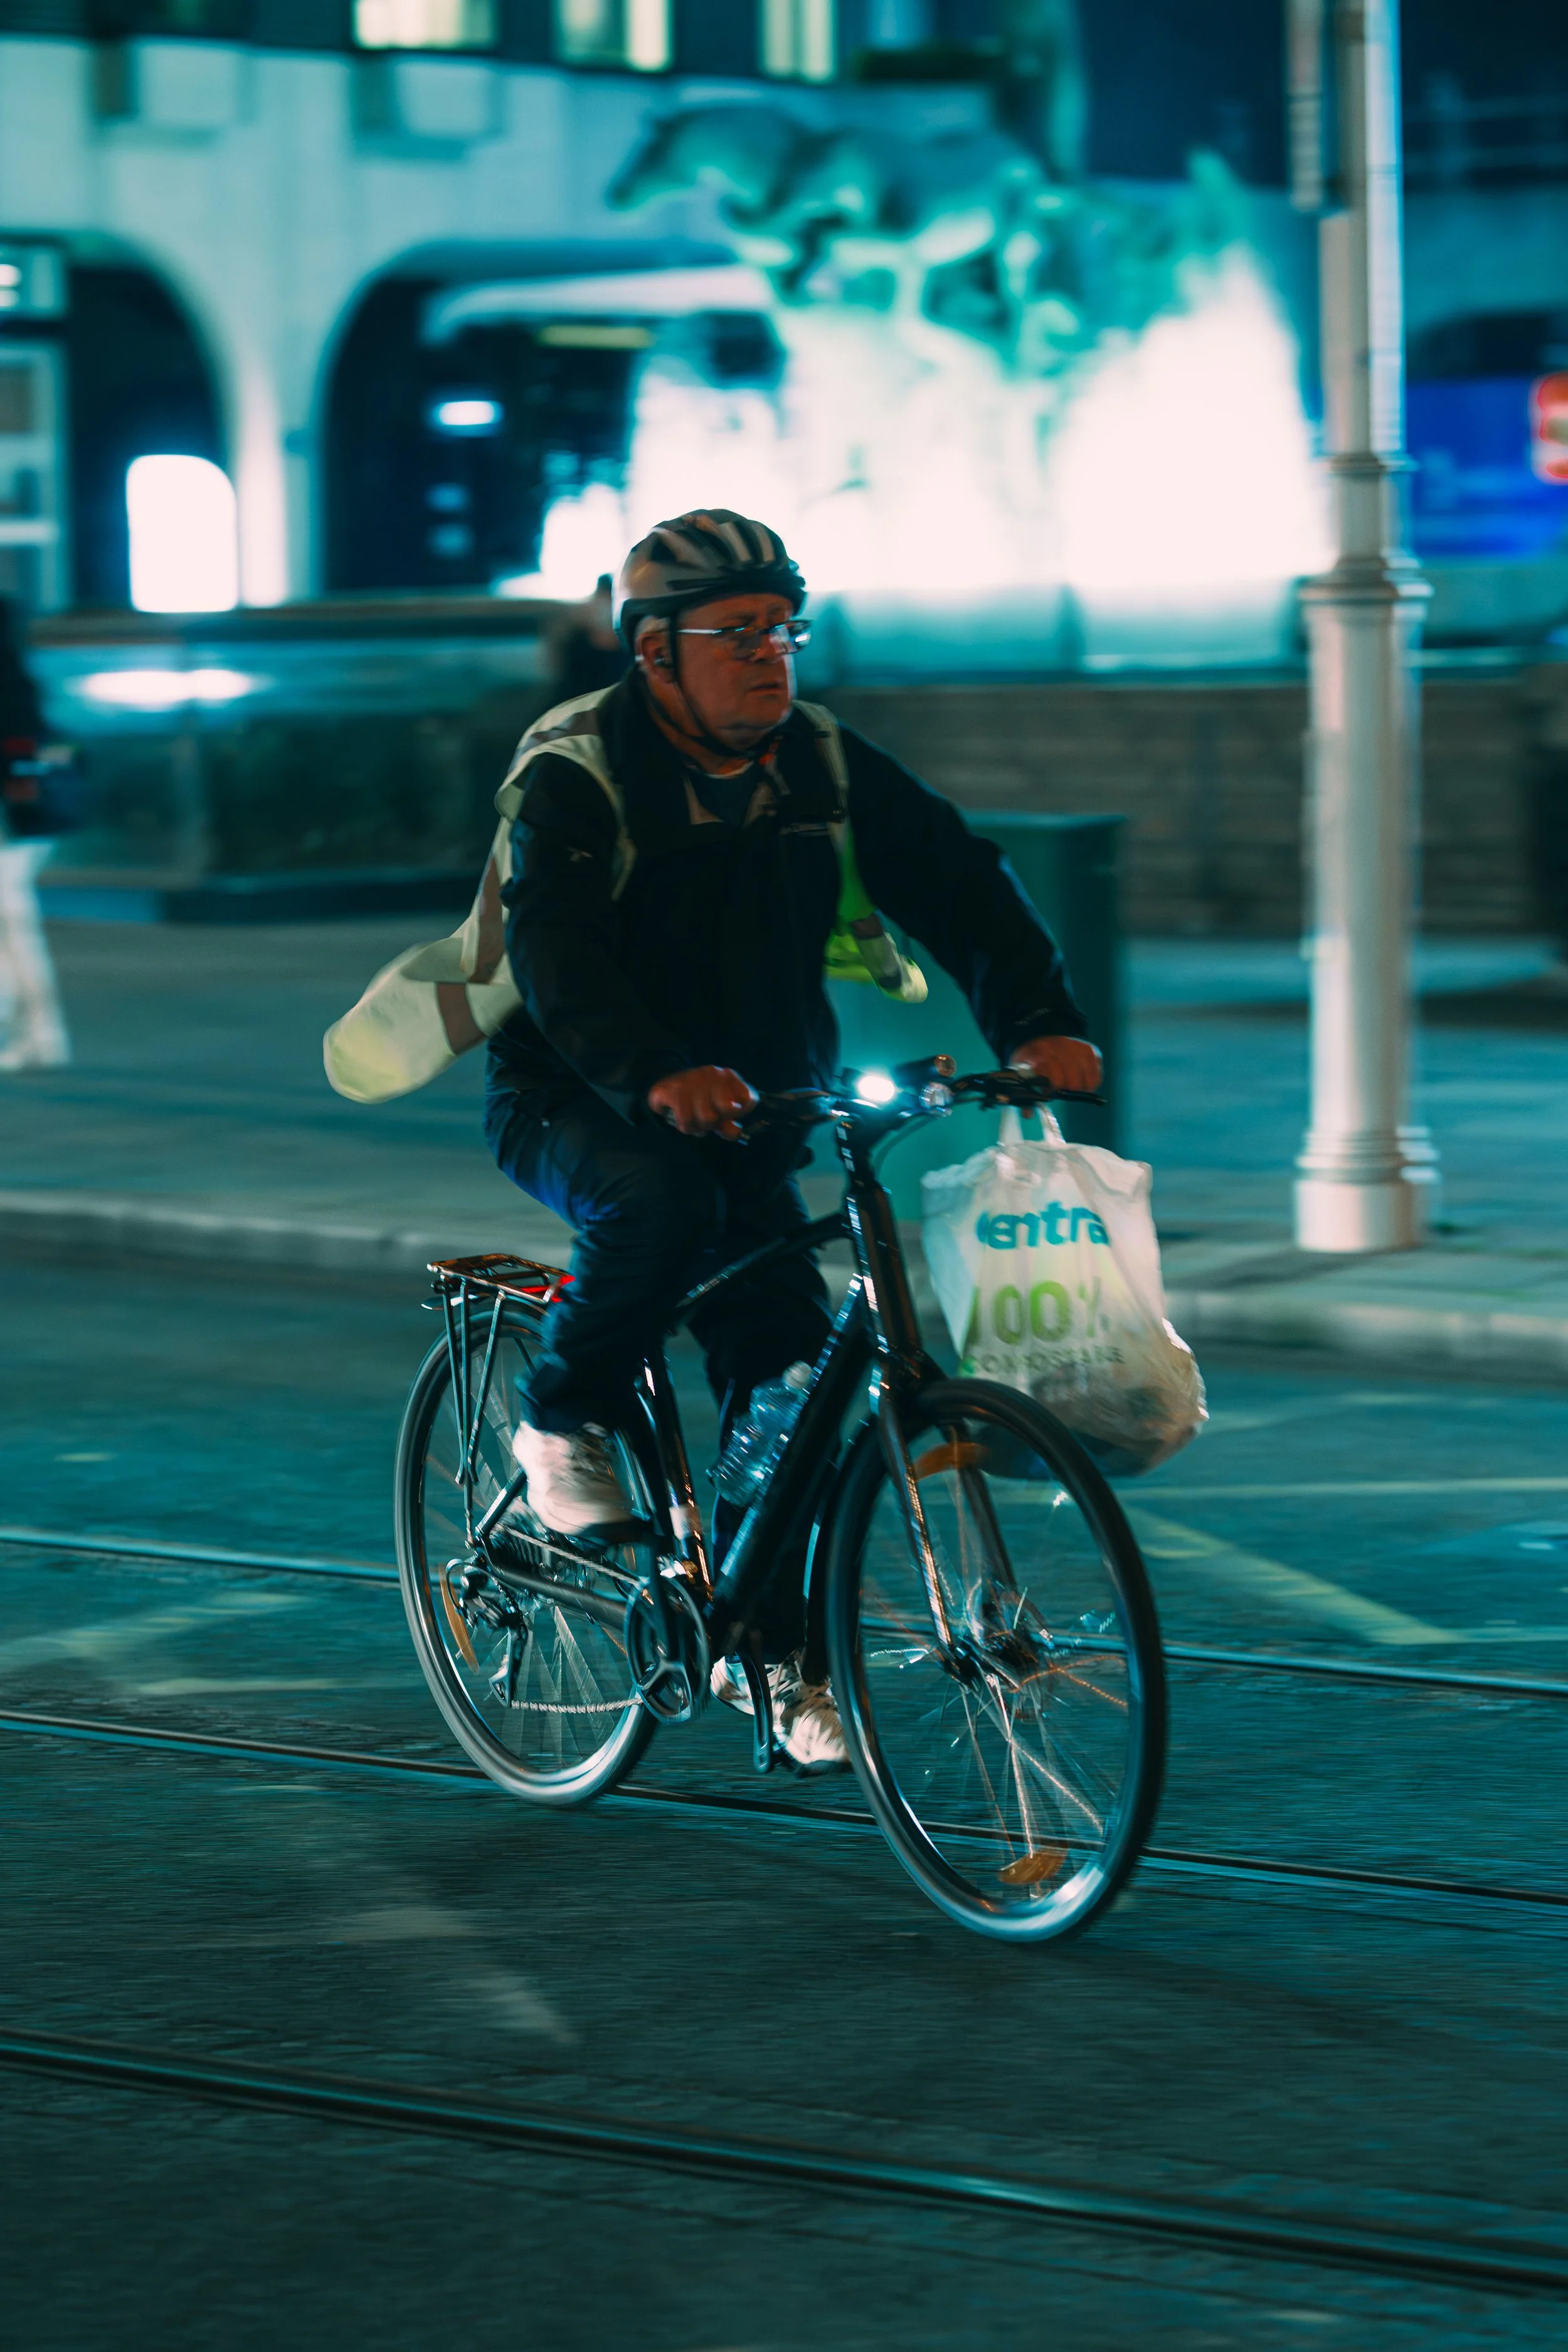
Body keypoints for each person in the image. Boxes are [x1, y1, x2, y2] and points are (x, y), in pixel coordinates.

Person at [485, 509, 1100, 1766]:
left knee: (791, 1385)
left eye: (783, 630)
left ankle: (761, 1649)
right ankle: (557, 1418)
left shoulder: (817, 760)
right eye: (738, 635)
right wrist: (652, 1072)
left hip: (759, 1104)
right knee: (658, 1213)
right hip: (579, 1096)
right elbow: (555, 957)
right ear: (651, 651)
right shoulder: (576, 770)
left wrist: (1037, 1020)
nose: (772, 657)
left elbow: (961, 883)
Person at [0, 596, 71, 1071]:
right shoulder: (16, 669)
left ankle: (42, 1033)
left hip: (12, 822)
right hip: (19, 817)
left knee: (14, 924)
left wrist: (21, 804)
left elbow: (21, 741)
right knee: (9, 926)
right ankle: (29, 1029)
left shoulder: (8, 678)